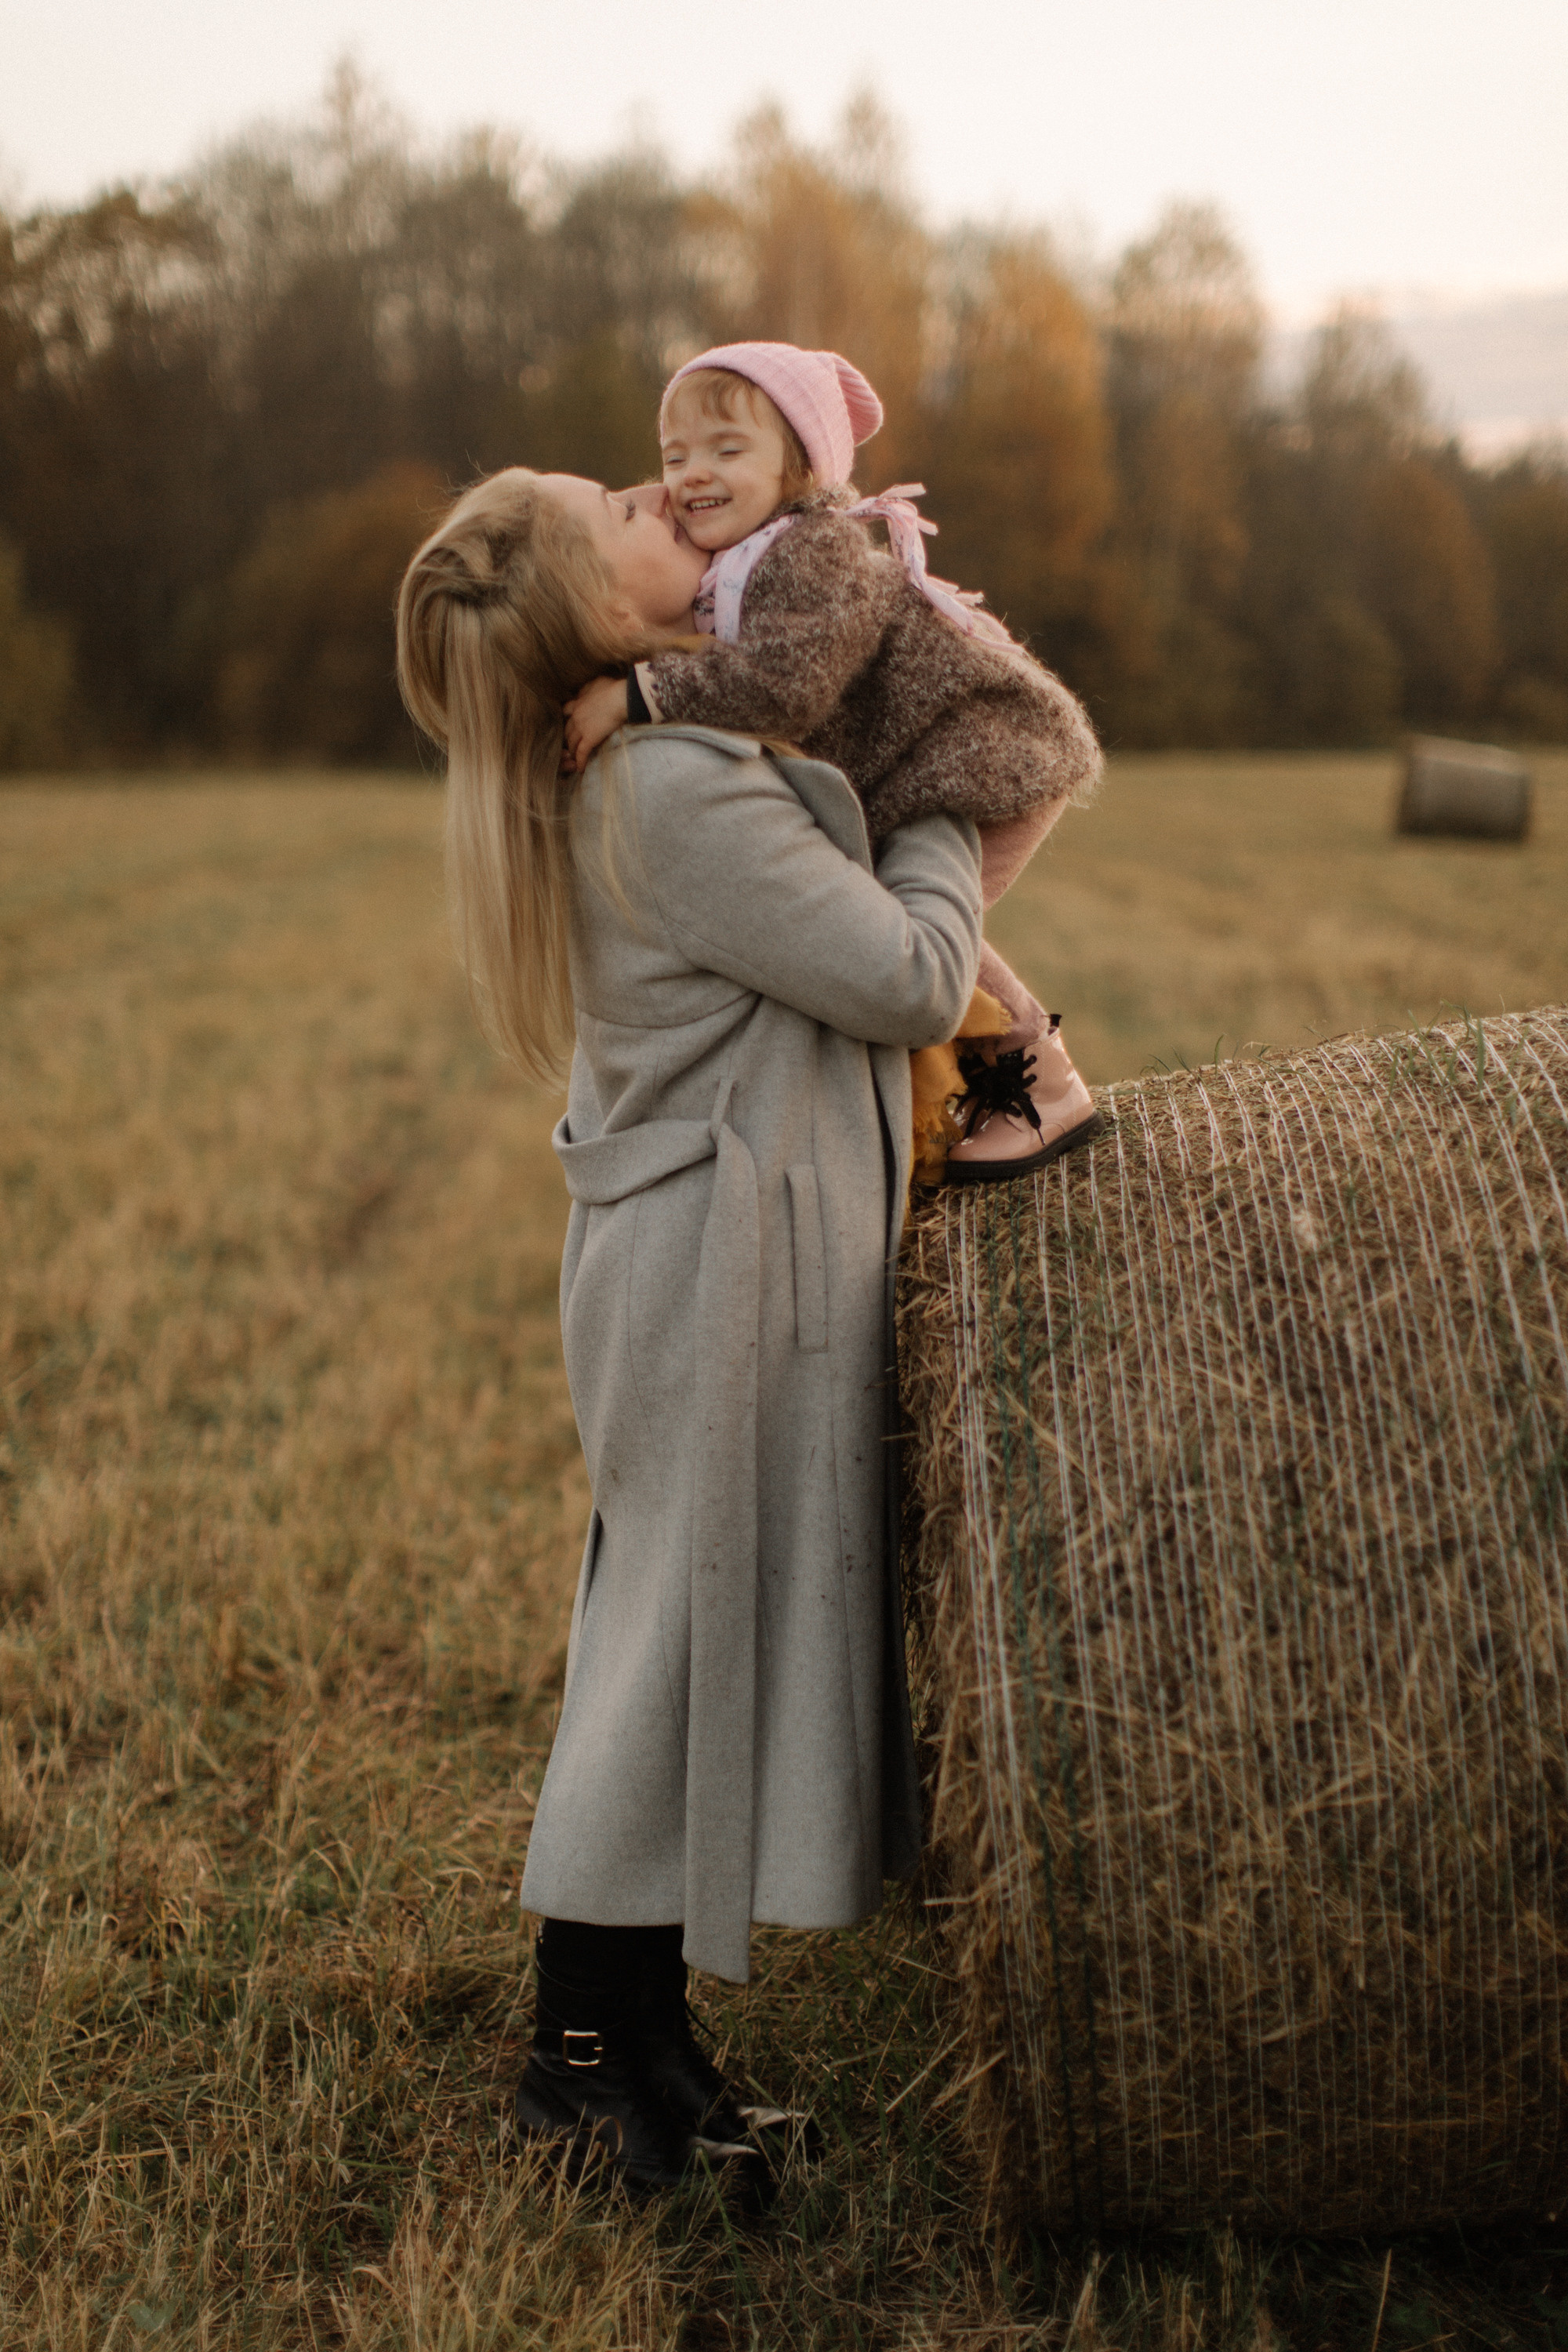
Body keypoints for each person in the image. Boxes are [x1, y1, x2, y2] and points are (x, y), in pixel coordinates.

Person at [396, 466, 983, 2200]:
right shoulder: (662, 789)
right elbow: (909, 978)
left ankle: (641, 2057)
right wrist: (941, 795)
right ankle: (574, 2067)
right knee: (659, 1657)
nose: (665, 491)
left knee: (671, 1641)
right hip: (715, 1273)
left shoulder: (641, 760)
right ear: (600, 604)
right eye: (622, 510)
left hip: (693, 1256)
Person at [562, 340, 1105, 1182]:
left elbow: (785, 689)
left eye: (726, 450)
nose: (690, 475)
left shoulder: (813, 551)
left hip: (981, 747)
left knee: (906, 934)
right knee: (878, 924)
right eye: (675, 455)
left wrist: (635, 696)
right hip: (925, 759)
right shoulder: (732, 567)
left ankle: (1043, 1082)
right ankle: (967, 1093)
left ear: (800, 466)